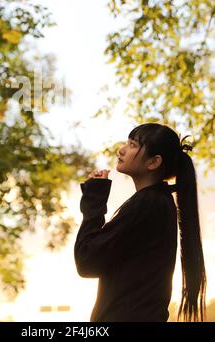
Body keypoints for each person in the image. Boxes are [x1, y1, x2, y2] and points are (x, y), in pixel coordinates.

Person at [74, 122, 207, 322]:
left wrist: (94, 201)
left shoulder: (148, 204)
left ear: (153, 162)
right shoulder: (157, 203)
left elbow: (87, 261)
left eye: (133, 145)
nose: (122, 149)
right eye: (127, 143)